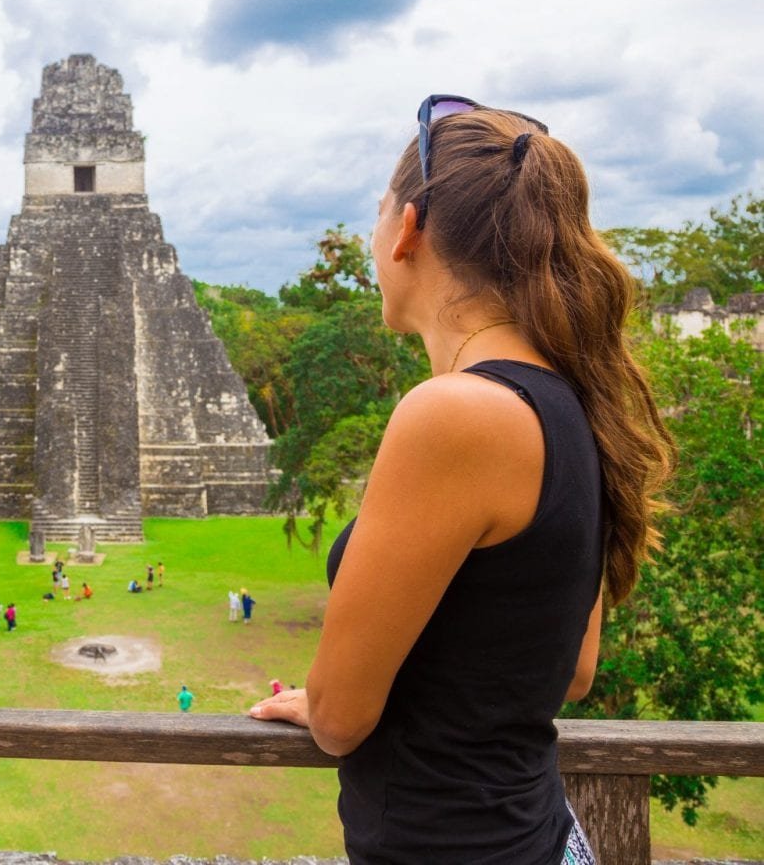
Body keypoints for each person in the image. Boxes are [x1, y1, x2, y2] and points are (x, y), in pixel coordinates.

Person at [248, 96, 673, 864]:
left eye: (376, 216)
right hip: (540, 837)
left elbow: (341, 719)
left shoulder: (455, 415)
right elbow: (572, 674)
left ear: (408, 228)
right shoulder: (576, 404)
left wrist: (328, 696)